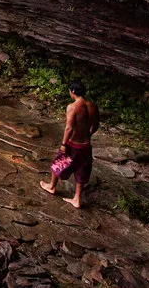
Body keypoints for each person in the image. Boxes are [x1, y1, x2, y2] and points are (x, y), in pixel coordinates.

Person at [40, 80, 99, 208]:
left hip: (74, 144)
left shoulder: (72, 107)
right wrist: (89, 134)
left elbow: (69, 128)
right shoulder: (93, 106)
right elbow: (95, 126)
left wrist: (63, 144)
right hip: (86, 145)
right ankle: (77, 199)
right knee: (82, 169)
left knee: (59, 162)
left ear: (72, 92)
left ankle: (51, 186)